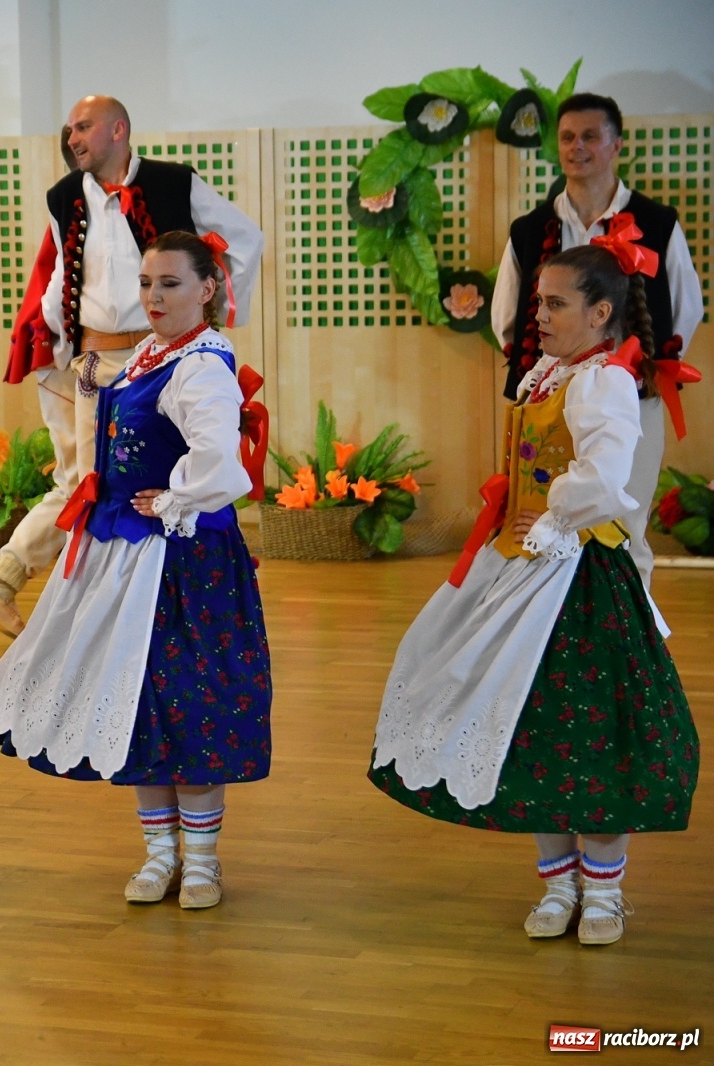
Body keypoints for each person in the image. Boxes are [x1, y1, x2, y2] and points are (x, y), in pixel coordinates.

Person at [371, 242, 698, 947]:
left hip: (578, 575)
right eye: (539, 302)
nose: (538, 315)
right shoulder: (550, 375)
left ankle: (604, 892)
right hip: (521, 566)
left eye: (555, 303)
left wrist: (554, 517)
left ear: (600, 312)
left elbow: (607, 477)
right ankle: (558, 882)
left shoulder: (604, 381)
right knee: (531, 724)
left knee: (592, 730)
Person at [0, 231, 273, 910]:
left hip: (183, 558)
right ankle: (160, 853)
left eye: (170, 284)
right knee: (137, 699)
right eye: (146, 284)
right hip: (125, 552)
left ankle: (200, 861)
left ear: (208, 289)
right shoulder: (148, 354)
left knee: (191, 703)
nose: (153, 297)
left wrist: (175, 497)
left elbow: (223, 465)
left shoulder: (201, 362)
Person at [0, 96, 264, 636]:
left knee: (161, 474)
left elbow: (246, 238)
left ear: (119, 130)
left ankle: (167, 602)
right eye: (70, 129)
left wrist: (218, 309)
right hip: (96, 361)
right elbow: (62, 277)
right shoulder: (63, 196)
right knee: (91, 481)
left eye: (83, 127)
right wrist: (59, 350)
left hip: (167, 355)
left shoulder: (175, 182)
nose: (73, 137)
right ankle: (28, 587)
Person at [490, 93, 702, 589]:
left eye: (590, 135)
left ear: (616, 144)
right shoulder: (528, 230)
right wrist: (550, 369)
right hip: (549, 395)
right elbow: (507, 316)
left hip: (631, 393)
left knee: (625, 522)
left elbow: (685, 311)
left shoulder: (656, 222)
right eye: (567, 137)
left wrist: (633, 372)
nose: (577, 146)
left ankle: (630, 642)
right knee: (533, 516)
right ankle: (555, 636)